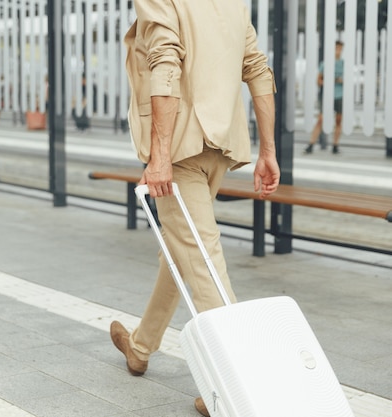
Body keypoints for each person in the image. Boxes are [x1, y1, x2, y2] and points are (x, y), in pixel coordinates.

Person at [109, 2, 280, 416]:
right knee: (184, 245)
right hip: (220, 145)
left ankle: (235, 382)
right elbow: (256, 68)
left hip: (181, 147)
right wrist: (268, 151)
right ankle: (141, 344)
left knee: (202, 258)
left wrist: (160, 155)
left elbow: (165, 62)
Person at [304, 41, 344, 155]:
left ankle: (335, 145)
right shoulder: (325, 64)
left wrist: (341, 81)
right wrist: (330, 81)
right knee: (320, 120)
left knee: (338, 120)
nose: (338, 50)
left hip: (339, 95)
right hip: (327, 96)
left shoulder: (344, 63)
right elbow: (318, 80)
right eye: (336, 47)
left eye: (340, 48)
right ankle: (311, 144)